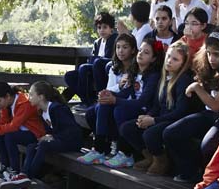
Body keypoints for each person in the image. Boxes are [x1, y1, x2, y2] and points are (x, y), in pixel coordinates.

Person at [164, 30, 219, 183]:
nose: (211, 58)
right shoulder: (210, 66)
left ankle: (212, 178)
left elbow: (216, 105)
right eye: (208, 53)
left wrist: (196, 87)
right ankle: (190, 171)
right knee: (171, 133)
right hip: (208, 113)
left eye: (216, 54)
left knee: (208, 145)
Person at [120, 41, 194, 175]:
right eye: (169, 56)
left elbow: (180, 112)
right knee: (127, 128)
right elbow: (156, 105)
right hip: (160, 117)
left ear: (183, 63)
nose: (170, 61)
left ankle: (161, 160)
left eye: (175, 59)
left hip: (174, 120)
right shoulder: (163, 78)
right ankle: (150, 157)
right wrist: (148, 116)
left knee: (150, 133)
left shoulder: (183, 80)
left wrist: (154, 120)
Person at [1, 81, 83, 187]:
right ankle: (22, 175)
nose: (28, 97)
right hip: (60, 141)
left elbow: (72, 131)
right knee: (32, 146)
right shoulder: (43, 112)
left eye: (31, 94)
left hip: (72, 142)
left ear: (41, 97)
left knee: (44, 145)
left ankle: (28, 177)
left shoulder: (57, 109)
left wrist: (52, 137)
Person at [101, 37, 165, 168]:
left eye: (146, 52)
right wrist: (110, 95)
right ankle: (100, 148)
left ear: (153, 59)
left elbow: (143, 101)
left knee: (120, 110)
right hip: (135, 106)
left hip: (146, 109)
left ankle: (125, 152)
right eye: (140, 50)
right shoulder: (134, 71)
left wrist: (116, 100)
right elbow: (125, 93)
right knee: (104, 106)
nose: (140, 53)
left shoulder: (153, 76)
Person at [81, 34, 139, 164]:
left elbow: (130, 93)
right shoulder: (114, 67)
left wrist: (113, 92)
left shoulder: (137, 67)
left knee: (105, 106)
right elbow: (110, 88)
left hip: (128, 101)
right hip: (115, 98)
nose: (121, 51)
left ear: (133, 50)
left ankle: (100, 148)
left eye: (125, 47)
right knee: (92, 111)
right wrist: (117, 86)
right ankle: (102, 148)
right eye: (118, 47)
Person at [0, 82, 46, 180]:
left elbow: (13, 126)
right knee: (0, 134)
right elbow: (3, 121)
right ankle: (4, 165)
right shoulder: (6, 104)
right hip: (21, 132)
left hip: (34, 134)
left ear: (7, 96)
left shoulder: (24, 103)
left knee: (9, 136)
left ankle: (14, 169)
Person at [64, 12, 116, 105]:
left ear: (111, 28)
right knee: (70, 75)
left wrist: (95, 60)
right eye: (99, 27)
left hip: (103, 70)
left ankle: (88, 102)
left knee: (85, 68)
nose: (102, 30)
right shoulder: (97, 42)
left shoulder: (114, 39)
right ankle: (87, 100)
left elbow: (109, 58)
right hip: (92, 68)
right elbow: (92, 57)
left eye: (105, 27)